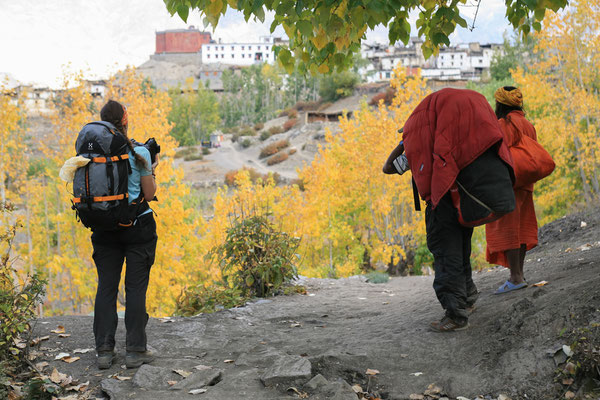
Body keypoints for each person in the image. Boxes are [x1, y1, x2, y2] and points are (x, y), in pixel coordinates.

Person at [383, 88, 514, 332]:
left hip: (441, 203)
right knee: (461, 250)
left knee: (446, 255)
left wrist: (405, 141)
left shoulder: (421, 147)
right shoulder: (459, 147)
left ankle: (456, 315)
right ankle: (468, 298)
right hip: (461, 198)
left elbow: (388, 167)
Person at [93, 100, 159, 369]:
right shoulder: (140, 151)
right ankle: (135, 350)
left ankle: (104, 352)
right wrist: (153, 168)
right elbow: (150, 194)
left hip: (103, 228)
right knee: (135, 288)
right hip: (138, 229)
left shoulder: (91, 155)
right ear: (124, 120)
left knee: (106, 288)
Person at [485, 87, 538, 294]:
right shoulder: (528, 124)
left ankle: (515, 278)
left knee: (507, 228)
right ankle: (520, 274)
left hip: (508, 183)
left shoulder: (503, 124)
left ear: (500, 104)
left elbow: (497, 152)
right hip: (526, 183)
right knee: (522, 227)